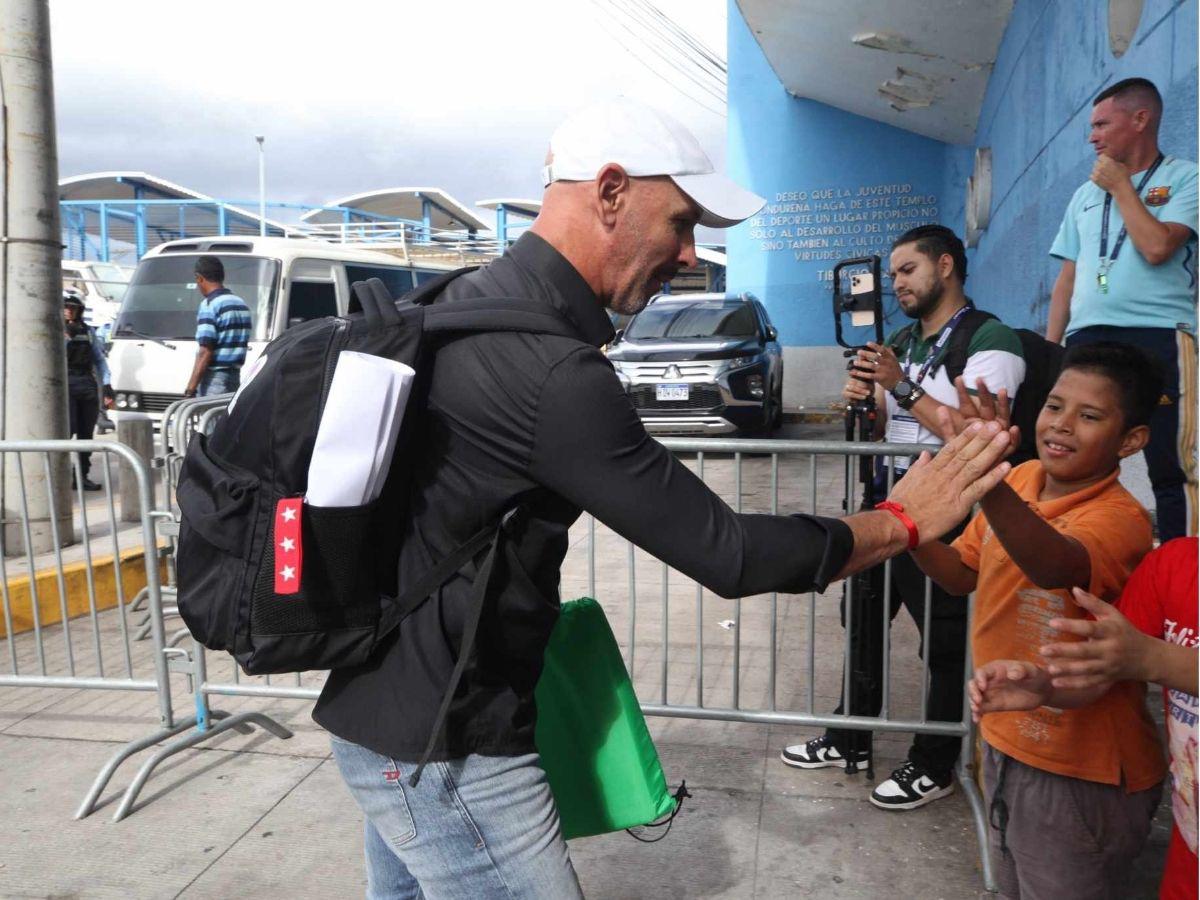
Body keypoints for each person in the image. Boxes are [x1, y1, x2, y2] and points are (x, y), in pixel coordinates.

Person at [312, 98, 1016, 899]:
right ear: (610, 191)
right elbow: (729, 551)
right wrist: (899, 520)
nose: (689, 254)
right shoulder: (548, 370)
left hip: (387, 716)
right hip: (449, 742)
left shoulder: (461, 304)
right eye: (682, 223)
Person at [781, 224, 1026, 811]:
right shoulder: (901, 340)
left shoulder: (992, 340)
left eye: (907, 271)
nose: (896, 284)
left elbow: (980, 435)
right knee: (863, 620)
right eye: (891, 275)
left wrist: (903, 386)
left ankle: (935, 762)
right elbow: (885, 423)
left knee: (942, 639)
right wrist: (866, 401)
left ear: (946, 266)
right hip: (889, 501)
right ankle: (849, 737)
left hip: (953, 513)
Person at [911, 342, 1167, 899]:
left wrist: (985, 480)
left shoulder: (1121, 518)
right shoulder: (1023, 479)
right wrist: (910, 527)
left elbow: (1054, 565)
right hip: (1005, 738)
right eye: (1054, 406)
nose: (1063, 425)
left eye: (1089, 416)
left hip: (1081, 770)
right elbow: (960, 575)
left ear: (1131, 441)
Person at [971, 536, 1198, 900]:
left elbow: (1141, 657)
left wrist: (1157, 659)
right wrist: (1047, 688)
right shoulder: (1177, 563)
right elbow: (1105, 669)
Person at [1046, 77, 1199, 541]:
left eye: (1100, 124)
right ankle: (1079, 562)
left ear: (1140, 119)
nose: (1092, 137)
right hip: (1088, 337)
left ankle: (1183, 581)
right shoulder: (1082, 195)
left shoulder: (1186, 177)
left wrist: (1121, 189)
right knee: (1073, 455)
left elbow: (1156, 248)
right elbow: (1067, 279)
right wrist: (1052, 350)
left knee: (1172, 464)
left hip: (1158, 333)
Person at [63, 292, 113, 491]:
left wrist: (108, 385)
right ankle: (61, 474)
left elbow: (100, 360)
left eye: (72, 307)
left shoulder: (88, 331)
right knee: (68, 429)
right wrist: (67, 336)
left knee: (86, 433)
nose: (69, 310)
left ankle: (81, 475)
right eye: (66, 307)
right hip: (65, 384)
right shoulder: (55, 329)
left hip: (86, 383)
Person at [183, 255, 251, 398]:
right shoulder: (241, 304)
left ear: (199, 278)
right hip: (235, 377)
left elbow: (205, 351)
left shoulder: (210, 305)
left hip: (214, 380)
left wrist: (190, 389)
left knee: (211, 419)